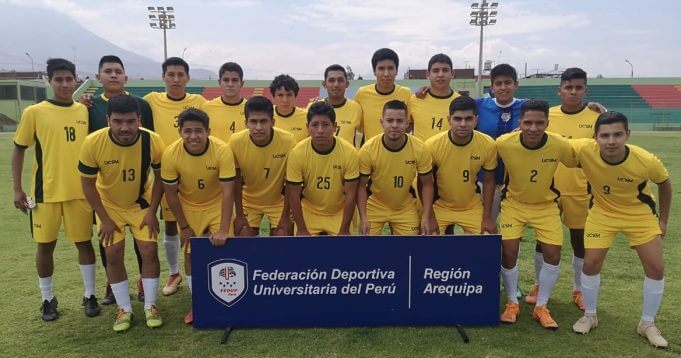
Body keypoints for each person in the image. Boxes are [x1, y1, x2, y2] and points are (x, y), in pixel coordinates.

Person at [571, 112, 671, 348]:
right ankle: (590, 315)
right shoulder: (585, 149)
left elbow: (665, 184)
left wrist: (663, 221)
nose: (611, 141)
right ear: (595, 137)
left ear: (627, 134)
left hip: (639, 214)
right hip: (602, 213)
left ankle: (647, 323)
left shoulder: (645, 160)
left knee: (656, 268)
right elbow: (555, 142)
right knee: (590, 264)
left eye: (617, 134)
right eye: (604, 135)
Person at [12, 58, 100, 321]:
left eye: (68, 79)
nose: (64, 84)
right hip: (45, 194)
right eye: (58, 79)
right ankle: (47, 299)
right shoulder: (34, 112)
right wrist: (17, 189)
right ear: (49, 81)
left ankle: (89, 294)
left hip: (80, 193)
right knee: (45, 246)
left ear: (75, 80)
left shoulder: (83, 111)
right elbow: (19, 150)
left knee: (84, 243)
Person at [79, 94, 165, 332]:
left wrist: (153, 211)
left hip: (141, 203)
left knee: (149, 249)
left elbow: (161, 179)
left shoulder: (153, 141)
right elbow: (87, 185)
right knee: (113, 253)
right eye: (118, 121)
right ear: (108, 120)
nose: (124, 127)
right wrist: (104, 219)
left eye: (130, 121)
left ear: (139, 119)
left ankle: (150, 305)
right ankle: (124, 309)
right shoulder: (93, 142)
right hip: (109, 206)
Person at [496, 99, 577, 330]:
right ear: (519, 122)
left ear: (547, 123)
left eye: (539, 123)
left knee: (553, 254)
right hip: (514, 204)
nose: (533, 128)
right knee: (508, 252)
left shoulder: (559, 145)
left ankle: (541, 306)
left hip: (546, 206)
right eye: (528, 122)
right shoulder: (504, 143)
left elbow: (582, 153)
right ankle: (512, 302)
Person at [525, 68, 599, 310]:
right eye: (569, 87)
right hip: (549, 189)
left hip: (580, 190)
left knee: (579, 241)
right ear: (560, 90)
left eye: (578, 87)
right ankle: (538, 284)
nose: (573, 92)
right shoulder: (548, 116)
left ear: (585, 90)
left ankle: (578, 289)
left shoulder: (596, 116)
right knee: (543, 241)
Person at [82, 55, 151, 305]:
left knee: (144, 243)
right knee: (109, 240)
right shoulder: (88, 106)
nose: (113, 75)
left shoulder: (141, 105)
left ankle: (145, 283)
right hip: (106, 182)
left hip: (137, 190)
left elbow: (149, 141)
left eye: (117, 71)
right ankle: (113, 286)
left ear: (125, 76)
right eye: (107, 71)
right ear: (98, 76)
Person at [161, 108, 235, 324]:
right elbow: (171, 194)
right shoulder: (171, 154)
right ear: (180, 132)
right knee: (191, 254)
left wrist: (222, 228)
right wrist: (183, 226)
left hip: (215, 205)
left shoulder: (222, 150)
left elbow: (228, 191)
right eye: (187, 131)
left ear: (208, 131)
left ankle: (227, 301)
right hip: (189, 206)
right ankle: (198, 303)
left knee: (226, 249)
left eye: (198, 131)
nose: (193, 136)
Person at [144, 57, 207, 296]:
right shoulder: (151, 100)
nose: (176, 79)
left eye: (181, 75)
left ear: (188, 78)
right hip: (166, 171)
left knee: (196, 226)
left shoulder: (199, 101)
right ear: (163, 77)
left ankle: (198, 271)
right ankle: (173, 272)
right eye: (171, 74)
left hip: (196, 169)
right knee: (171, 224)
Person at [357, 100, 434, 235]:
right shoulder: (368, 150)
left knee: (410, 251)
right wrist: (363, 217)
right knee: (367, 250)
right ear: (382, 122)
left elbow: (427, 184)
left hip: (404, 206)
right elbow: (361, 186)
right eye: (389, 120)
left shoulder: (419, 148)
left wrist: (427, 216)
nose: (394, 125)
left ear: (407, 124)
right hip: (375, 205)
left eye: (399, 121)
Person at [424, 96, 497, 235]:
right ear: (449, 120)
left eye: (468, 119)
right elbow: (425, 183)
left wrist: (487, 217)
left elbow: (489, 181)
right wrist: (429, 215)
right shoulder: (432, 145)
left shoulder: (488, 144)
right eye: (457, 119)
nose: (463, 124)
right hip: (440, 206)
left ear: (476, 120)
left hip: (471, 206)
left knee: (487, 239)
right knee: (429, 240)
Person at [286, 101, 359, 235]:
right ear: (307, 127)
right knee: (304, 252)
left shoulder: (349, 152)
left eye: (325, 125)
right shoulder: (297, 153)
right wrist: (302, 229)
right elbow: (293, 195)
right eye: (315, 125)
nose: (320, 130)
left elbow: (351, 195)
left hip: (338, 212)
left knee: (343, 252)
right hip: (309, 211)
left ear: (335, 126)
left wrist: (344, 229)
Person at [230, 96, 296, 236]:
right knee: (243, 233)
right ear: (246, 123)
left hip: (278, 201)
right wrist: (240, 214)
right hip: (249, 201)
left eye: (263, 121)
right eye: (253, 122)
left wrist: (285, 217)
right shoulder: (235, 141)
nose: (258, 127)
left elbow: (291, 182)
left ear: (272, 122)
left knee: (283, 234)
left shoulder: (288, 141)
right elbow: (235, 180)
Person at [354, 48, 412, 141]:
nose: (386, 74)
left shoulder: (406, 94)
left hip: (399, 152)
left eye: (390, 68)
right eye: (381, 68)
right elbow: (357, 126)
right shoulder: (362, 94)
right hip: (371, 152)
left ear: (396, 71)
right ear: (374, 71)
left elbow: (410, 124)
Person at [409, 53, 460, 141]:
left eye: (445, 70)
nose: (440, 74)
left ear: (452, 73)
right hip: (421, 154)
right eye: (436, 71)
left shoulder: (459, 102)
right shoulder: (415, 100)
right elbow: (405, 129)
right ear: (428, 74)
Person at [311, 64, 363, 146]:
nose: (336, 84)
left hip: (348, 158)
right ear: (324, 84)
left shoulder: (356, 108)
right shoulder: (313, 107)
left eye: (340, 80)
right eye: (331, 80)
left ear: (347, 84)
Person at [200, 62, 247, 143]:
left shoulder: (250, 109)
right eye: (226, 80)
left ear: (242, 83)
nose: (230, 84)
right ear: (219, 82)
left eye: (235, 80)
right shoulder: (206, 108)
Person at [270, 74, 308, 142]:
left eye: (289, 95)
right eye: (280, 95)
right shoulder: (266, 116)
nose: (285, 100)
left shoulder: (307, 117)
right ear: (273, 97)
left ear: (295, 96)